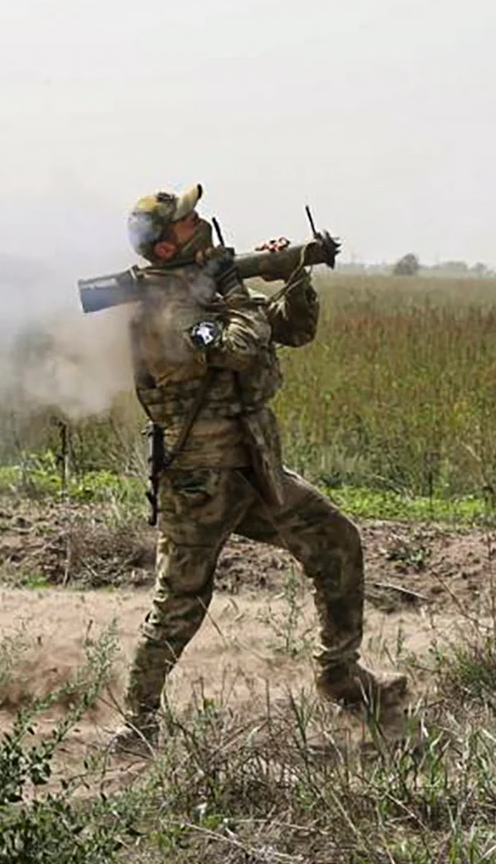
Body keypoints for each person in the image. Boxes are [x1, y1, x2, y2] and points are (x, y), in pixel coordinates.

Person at [111, 183, 407, 753]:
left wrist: (295, 276)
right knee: (181, 601)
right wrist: (235, 285)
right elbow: (242, 344)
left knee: (336, 542)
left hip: (252, 465)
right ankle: (137, 723)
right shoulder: (163, 311)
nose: (199, 222)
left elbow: (291, 330)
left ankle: (341, 676)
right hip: (199, 480)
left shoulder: (198, 288)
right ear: (165, 248)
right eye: (185, 221)